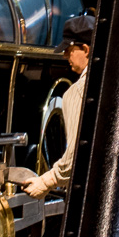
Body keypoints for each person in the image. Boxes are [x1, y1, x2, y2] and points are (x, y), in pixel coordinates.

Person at [24, 14, 94, 199]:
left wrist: (48, 180)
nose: (65, 55)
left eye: (69, 49)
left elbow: (76, 154)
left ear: (85, 50)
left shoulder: (78, 91)